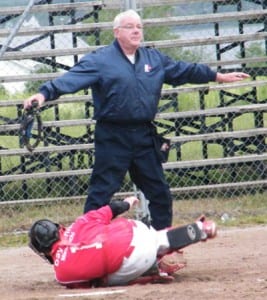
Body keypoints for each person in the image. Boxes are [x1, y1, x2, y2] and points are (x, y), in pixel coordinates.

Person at [24, 9, 250, 230]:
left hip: (144, 135)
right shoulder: (100, 60)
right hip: (113, 136)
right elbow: (71, 80)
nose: (136, 31)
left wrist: (217, 76)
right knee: (101, 193)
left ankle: (161, 248)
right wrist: (43, 94)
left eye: (139, 27)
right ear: (116, 32)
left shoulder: (153, 58)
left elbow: (183, 71)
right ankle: (87, 242)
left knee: (160, 193)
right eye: (130, 26)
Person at [28, 196, 217, 288]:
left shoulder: (62, 273)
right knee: (153, 238)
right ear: (59, 228)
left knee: (100, 280)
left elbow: (87, 285)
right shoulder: (80, 223)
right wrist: (128, 202)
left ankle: (151, 271)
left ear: (42, 250)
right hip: (137, 231)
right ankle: (200, 230)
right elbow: (114, 207)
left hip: (131, 261)